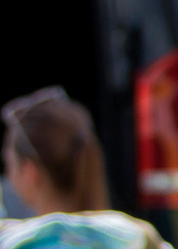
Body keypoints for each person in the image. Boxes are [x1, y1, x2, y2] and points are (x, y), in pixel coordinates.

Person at [2, 86, 110, 216]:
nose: (10, 178)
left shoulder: (23, 236)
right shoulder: (134, 233)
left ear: (30, 172)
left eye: (10, 165)